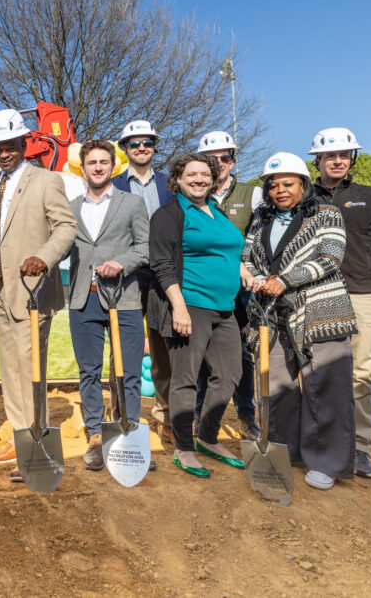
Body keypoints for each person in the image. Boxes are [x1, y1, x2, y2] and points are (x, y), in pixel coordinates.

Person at [243, 152, 357, 489]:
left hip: (319, 312)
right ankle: (286, 450)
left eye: (288, 184)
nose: (280, 190)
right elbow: (247, 256)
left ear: (303, 185)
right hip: (272, 314)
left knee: (325, 386)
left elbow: (331, 256)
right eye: (274, 185)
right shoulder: (261, 218)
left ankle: (326, 461)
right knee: (278, 385)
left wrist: (286, 279)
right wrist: (255, 277)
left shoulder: (326, 214)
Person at [0, 109, 77, 482]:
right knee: (10, 369)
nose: (3, 152)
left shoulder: (46, 180)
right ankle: (22, 436)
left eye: (9, 145)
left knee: (30, 369)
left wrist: (45, 257)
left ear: (24, 143)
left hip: (33, 290)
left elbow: (65, 229)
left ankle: (37, 441)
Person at [309, 127, 371, 479]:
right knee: (316, 371)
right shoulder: (304, 197)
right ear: (317, 160)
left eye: (344, 155)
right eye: (330, 156)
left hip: (364, 291)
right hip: (316, 293)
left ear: (352, 159)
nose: (338, 161)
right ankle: (320, 440)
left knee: (359, 374)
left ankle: (361, 446)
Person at [148, 153, 252, 478]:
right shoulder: (171, 213)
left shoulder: (216, 212)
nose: (199, 179)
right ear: (178, 179)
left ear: (213, 178)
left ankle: (207, 437)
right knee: (186, 379)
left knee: (230, 374)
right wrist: (178, 307)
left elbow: (227, 248)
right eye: (191, 174)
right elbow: (162, 263)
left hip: (225, 308)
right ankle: (184, 448)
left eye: (205, 174)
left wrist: (241, 268)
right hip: (190, 306)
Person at [68, 140, 149, 471]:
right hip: (82, 299)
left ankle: (128, 433)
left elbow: (145, 247)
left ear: (113, 167)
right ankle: (96, 436)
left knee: (128, 373)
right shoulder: (71, 207)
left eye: (104, 162)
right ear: (83, 168)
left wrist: (121, 262)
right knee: (89, 372)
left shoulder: (132, 204)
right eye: (92, 163)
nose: (98, 167)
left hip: (124, 298)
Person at [193, 130, 264, 440]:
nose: (217, 163)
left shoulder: (253, 194)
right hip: (204, 288)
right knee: (201, 353)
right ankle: (201, 414)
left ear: (232, 162)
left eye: (223, 158)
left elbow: (259, 237)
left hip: (241, 290)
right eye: (210, 159)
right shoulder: (194, 196)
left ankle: (247, 415)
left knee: (243, 355)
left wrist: (243, 265)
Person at [111, 119, 176, 444]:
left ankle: (165, 415)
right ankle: (121, 415)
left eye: (146, 143)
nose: (141, 148)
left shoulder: (169, 185)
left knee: (164, 346)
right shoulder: (114, 185)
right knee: (125, 348)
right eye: (134, 144)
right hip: (128, 275)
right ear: (125, 149)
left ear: (153, 147)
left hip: (164, 275)